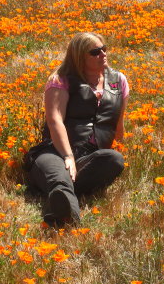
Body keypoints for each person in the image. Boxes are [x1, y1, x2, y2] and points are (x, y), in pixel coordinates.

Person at [24, 32, 129, 227]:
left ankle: (56, 192)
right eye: (95, 52)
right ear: (79, 56)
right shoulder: (62, 80)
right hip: (54, 151)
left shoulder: (118, 81)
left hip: (90, 157)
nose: (103, 54)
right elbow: (55, 120)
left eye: (104, 49)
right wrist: (67, 156)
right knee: (59, 175)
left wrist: (121, 146)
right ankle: (67, 217)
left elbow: (118, 122)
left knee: (114, 160)